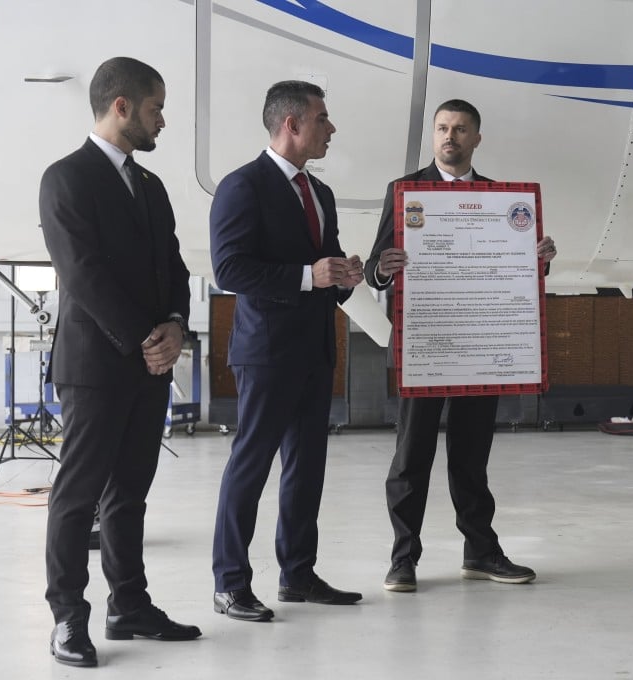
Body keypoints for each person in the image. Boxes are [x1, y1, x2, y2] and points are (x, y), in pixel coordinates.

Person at [39, 56, 200, 668]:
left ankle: (128, 605)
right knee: (77, 497)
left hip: (148, 364)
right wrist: (144, 337)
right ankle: (67, 618)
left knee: (129, 492)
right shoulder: (67, 178)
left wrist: (177, 326)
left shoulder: (151, 186)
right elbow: (82, 274)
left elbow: (176, 269)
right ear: (123, 107)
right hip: (97, 364)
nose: (163, 120)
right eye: (156, 108)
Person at [363, 99, 557, 592]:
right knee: (412, 458)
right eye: (443, 129)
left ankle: (481, 553)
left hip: (480, 347)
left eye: (460, 129)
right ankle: (403, 558)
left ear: (476, 139)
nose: (450, 137)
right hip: (426, 347)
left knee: (471, 460)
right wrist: (383, 268)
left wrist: (537, 257)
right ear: (434, 136)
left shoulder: (502, 199)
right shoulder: (405, 192)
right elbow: (372, 269)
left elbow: (514, 275)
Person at [210, 80, 365, 621]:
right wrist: (309, 275)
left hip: (316, 349)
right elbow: (229, 269)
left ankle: (297, 574)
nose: (331, 128)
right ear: (292, 124)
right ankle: (230, 583)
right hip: (268, 352)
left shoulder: (318, 193)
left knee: (306, 469)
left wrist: (348, 275)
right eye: (323, 118)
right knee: (250, 467)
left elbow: (328, 274)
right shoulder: (242, 186)